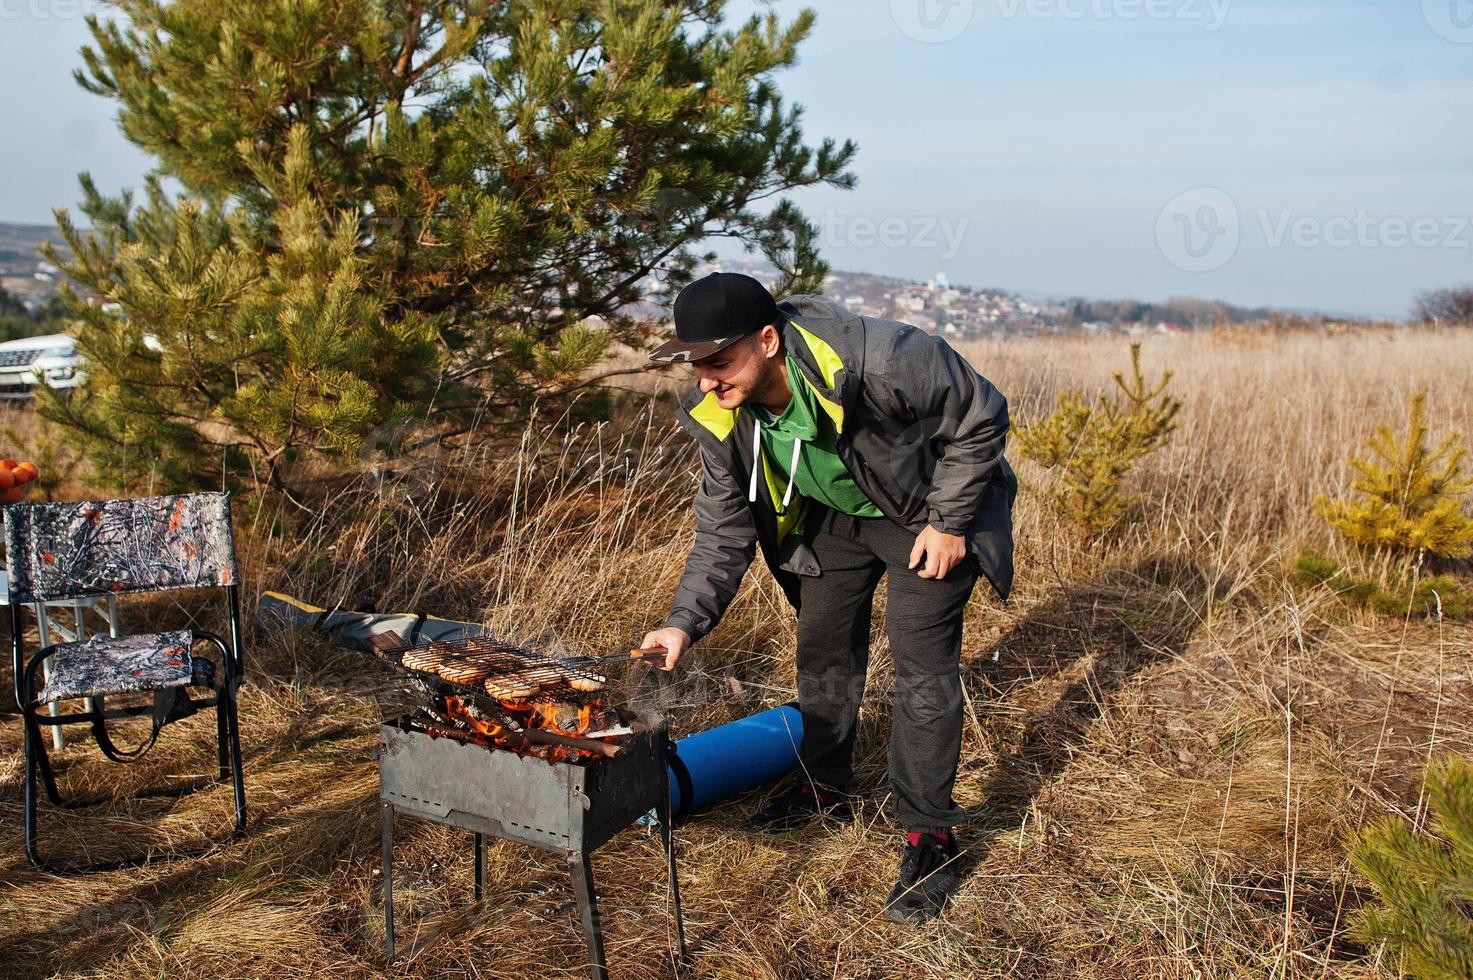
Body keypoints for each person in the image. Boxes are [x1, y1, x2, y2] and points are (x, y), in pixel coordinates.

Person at [640, 271, 1015, 923]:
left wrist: (951, 522)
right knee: (821, 649)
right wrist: (683, 623)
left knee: (919, 666)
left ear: (767, 340)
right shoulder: (717, 413)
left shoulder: (886, 359)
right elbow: (723, 525)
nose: (705, 379)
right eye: (694, 363)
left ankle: (929, 837)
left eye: (718, 361)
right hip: (834, 516)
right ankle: (820, 789)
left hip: (923, 511)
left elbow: (980, 416)